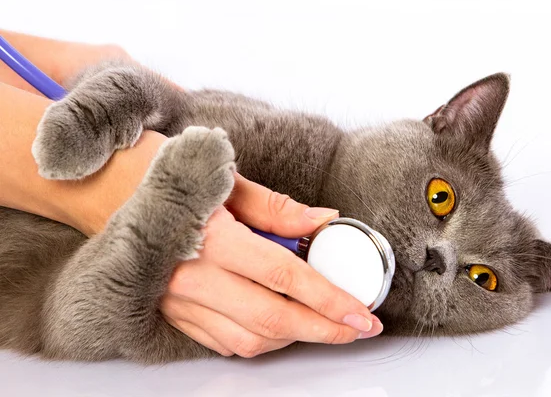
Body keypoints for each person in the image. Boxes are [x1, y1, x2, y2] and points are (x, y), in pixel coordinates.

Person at [0, 30, 383, 358]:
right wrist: (118, 100)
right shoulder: (300, 141)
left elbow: (70, 319)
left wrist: (153, 230)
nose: (437, 259)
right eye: (441, 199)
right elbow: (164, 103)